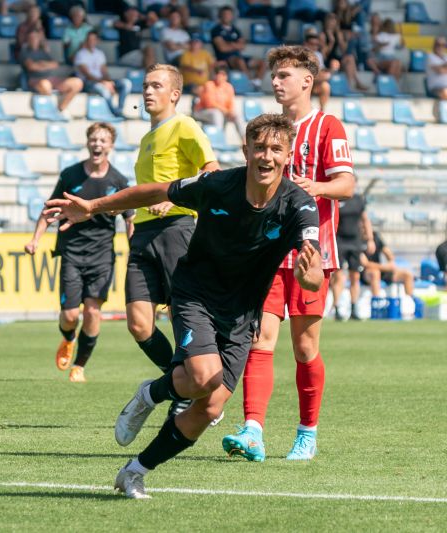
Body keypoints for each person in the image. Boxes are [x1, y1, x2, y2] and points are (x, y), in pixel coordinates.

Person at [45, 113, 324, 499]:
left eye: (276, 149)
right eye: (259, 147)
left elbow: (314, 274)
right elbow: (155, 192)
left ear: (288, 155)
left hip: (243, 314)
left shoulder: (300, 205)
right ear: (246, 150)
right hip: (195, 294)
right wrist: (95, 207)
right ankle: (153, 395)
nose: (266, 156)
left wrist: (310, 276)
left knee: (209, 408)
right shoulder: (217, 184)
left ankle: (136, 468)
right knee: (203, 378)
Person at [222, 46, 355, 463]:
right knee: (260, 340)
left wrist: (313, 188)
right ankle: (253, 430)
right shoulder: (270, 130)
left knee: (304, 348)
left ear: (306, 82)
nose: (276, 82)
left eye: (284, 75)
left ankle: (307, 432)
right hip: (267, 252)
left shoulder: (327, 126)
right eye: (274, 76)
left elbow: (347, 185)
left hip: (311, 253)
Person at [125, 64, 219, 418]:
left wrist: (177, 198)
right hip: (143, 233)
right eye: (145, 85)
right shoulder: (147, 137)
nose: (148, 91)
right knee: (138, 324)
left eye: (156, 86)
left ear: (174, 94)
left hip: (177, 228)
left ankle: (190, 389)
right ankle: (181, 383)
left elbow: (212, 172)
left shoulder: (185, 125)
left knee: (183, 314)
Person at [25, 122, 134, 383]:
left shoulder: (118, 180)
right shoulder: (71, 175)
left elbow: (129, 220)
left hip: (101, 256)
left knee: (93, 312)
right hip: (72, 252)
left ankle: (80, 366)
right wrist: (35, 239)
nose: (97, 144)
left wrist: (136, 252)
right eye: (93, 139)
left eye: (103, 140)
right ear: (88, 143)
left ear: (110, 146)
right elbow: (50, 209)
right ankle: (68, 337)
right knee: (70, 315)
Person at [330, 192, 374, 321]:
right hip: (339, 241)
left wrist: (370, 239)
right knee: (338, 276)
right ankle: (337, 308)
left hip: (355, 242)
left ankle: (354, 308)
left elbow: (365, 219)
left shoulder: (358, 200)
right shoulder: (336, 197)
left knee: (355, 276)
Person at [20, 30, 84, 114]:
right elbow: (31, 67)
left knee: (77, 82)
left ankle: (61, 109)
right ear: (28, 40)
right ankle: (50, 111)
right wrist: (45, 65)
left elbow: (55, 64)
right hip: (36, 80)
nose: (34, 39)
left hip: (52, 79)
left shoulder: (43, 52)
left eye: (36, 37)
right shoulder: (25, 52)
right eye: (31, 38)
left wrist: (40, 64)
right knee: (45, 84)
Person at [74, 31, 132, 118]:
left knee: (126, 83)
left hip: (101, 81)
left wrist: (109, 82)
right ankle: (114, 112)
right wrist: (104, 83)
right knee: (102, 89)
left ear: (97, 41)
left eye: (93, 39)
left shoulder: (99, 53)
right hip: (88, 83)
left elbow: (104, 72)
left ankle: (119, 110)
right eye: (89, 39)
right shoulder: (80, 54)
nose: (91, 41)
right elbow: (87, 75)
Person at [211, 6, 266, 89]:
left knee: (262, 63)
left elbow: (242, 46)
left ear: (232, 16)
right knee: (240, 61)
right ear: (220, 16)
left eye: (229, 14)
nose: (227, 16)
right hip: (225, 59)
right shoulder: (216, 30)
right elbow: (222, 48)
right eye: (225, 14)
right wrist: (235, 45)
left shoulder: (236, 30)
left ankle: (257, 82)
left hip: (239, 57)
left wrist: (229, 44)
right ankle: (250, 83)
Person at [193, 66, 246, 140]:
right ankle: (218, 139)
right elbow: (209, 103)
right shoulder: (209, 85)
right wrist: (226, 111)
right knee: (217, 114)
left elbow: (230, 103)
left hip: (222, 112)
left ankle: (245, 140)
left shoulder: (229, 87)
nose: (219, 76)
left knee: (237, 114)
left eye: (222, 74)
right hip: (201, 111)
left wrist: (230, 112)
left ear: (226, 76)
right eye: (218, 74)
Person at [319, 13, 368, 91]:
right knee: (340, 61)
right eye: (330, 22)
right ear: (326, 23)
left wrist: (342, 40)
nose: (331, 24)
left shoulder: (338, 33)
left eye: (333, 22)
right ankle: (356, 84)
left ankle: (348, 86)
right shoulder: (322, 35)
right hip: (328, 61)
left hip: (337, 59)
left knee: (350, 58)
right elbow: (324, 56)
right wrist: (331, 42)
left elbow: (344, 50)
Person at [363, 231, 414, 298]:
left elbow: (390, 256)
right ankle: (377, 302)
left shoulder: (375, 236)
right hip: (365, 272)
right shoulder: (357, 238)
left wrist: (391, 263)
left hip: (381, 270)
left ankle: (410, 301)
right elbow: (365, 263)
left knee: (407, 274)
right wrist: (386, 267)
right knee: (375, 273)